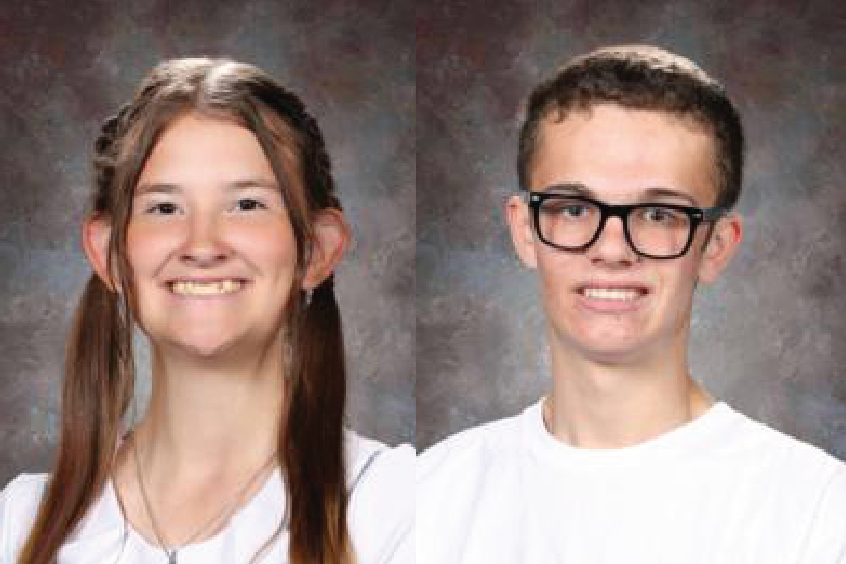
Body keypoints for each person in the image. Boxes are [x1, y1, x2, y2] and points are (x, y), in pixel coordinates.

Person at [417, 45, 846, 563]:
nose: (613, 249)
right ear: (525, 232)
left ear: (715, 247)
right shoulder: (430, 499)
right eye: (574, 208)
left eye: (659, 215)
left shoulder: (815, 512)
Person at [0, 58, 413, 564]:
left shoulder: (398, 508)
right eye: (164, 208)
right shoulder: (19, 524)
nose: (202, 244)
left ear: (317, 250)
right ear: (109, 253)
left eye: (246, 205)